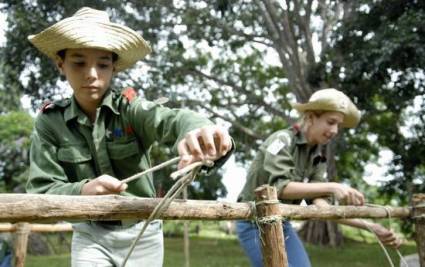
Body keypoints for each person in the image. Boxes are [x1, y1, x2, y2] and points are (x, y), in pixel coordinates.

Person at [26, 7, 232, 267]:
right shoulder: (49, 122)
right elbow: (42, 190)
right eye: (79, 62)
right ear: (61, 65)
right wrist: (83, 190)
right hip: (90, 235)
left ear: (114, 68)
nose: (91, 74)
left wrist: (200, 131)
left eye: (102, 64)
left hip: (143, 231)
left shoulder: (131, 109)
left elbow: (171, 119)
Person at [236, 88, 402, 267]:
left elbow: (322, 207)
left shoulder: (318, 157)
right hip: (253, 222)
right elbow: (280, 188)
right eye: (330, 122)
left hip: (282, 222)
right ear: (311, 117)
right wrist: (333, 186)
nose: (335, 130)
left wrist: (372, 227)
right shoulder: (281, 140)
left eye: (338, 125)